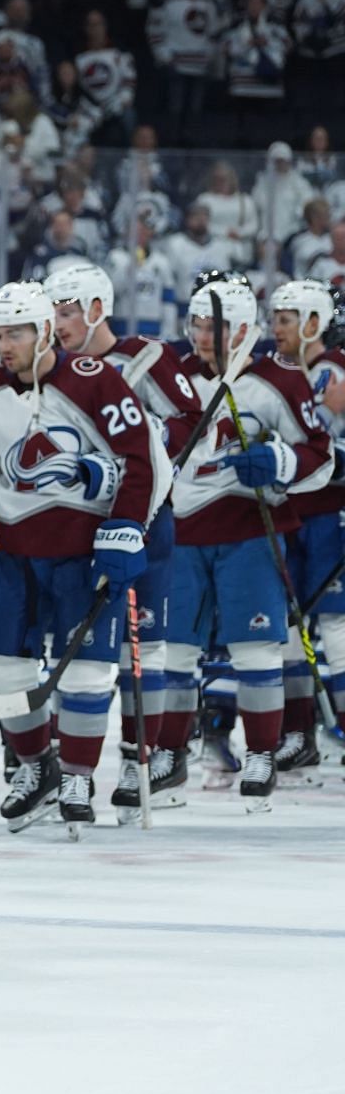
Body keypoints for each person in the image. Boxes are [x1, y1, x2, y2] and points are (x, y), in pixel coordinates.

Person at [0, 281, 158, 836]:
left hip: (83, 553)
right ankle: (37, 767)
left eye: (15, 332)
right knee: (4, 669)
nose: (3, 344)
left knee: (87, 672)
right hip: (17, 555)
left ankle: (77, 777)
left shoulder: (95, 381)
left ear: (44, 331)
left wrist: (126, 529)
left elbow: (142, 460)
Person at [44, 262, 202, 822]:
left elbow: (192, 419)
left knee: (149, 651)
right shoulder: (54, 370)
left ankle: (142, 760)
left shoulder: (150, 358)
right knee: (79, 653)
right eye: (53, 312)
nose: (57, 323)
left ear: (95, 309)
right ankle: (74, 773)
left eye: (65, 312)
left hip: (148, 518)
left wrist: (145, 431)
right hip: (80, 525)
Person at [167, 278, 332, 813]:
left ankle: (262, 752)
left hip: (248, 532)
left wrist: (281, 462)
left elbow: (320, 456)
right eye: (196, 324)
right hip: (184, 533)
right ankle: (169, 751)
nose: (203, 335)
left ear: (242, 330)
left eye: (214, 326)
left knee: (258, 649)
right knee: (177, 652)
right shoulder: (170, 378)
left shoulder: (278, 380)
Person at [264, 280, 345, 783]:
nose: (276, 329)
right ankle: (300, 734)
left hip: (328, 517)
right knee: (290, 626)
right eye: (274, 319)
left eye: (287, 319)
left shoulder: (335, 371)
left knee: (335, 626)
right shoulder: (277, 375)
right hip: (289, 515)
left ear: (313, 322)